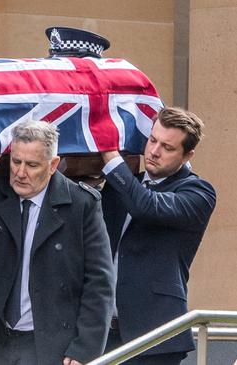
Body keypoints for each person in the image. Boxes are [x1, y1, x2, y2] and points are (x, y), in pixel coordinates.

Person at [0, 120, 115, 365]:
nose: (20, 173)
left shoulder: (81, 205)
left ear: (53, 165)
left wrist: (85, 348)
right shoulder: (0, 193)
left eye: (31, 165)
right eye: (16, 161)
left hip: (50, 342)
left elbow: (99, 281)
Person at [101, 106, 217, 364]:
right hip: (100, 332)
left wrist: (111, 157)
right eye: (152, 140)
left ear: (188, 155)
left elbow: (147, 206)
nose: (154, 151)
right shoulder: (121, 186)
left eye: (167, 147)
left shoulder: (199, 192)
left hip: (154, 334)